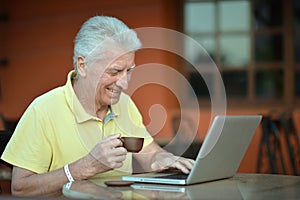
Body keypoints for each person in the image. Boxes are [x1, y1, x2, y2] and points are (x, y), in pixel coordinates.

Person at [1, 16, 194, 197]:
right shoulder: (43, 110)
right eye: (115, 71)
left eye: (129, 71)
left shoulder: (125, 104)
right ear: (82, 65)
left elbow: (149, 153)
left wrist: (164, 158)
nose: (125, 84)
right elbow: (20, 187)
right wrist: (84, 167)